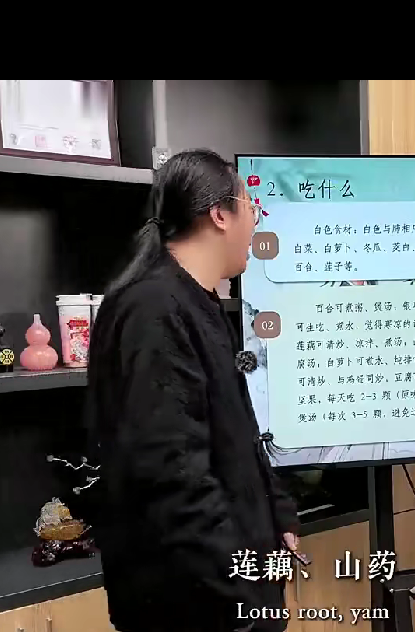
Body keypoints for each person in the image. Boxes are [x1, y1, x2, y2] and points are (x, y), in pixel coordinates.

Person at [85, 149, 299, 632]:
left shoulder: (196, 300)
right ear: (220, 215)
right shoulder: (154, 309)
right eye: (252, 207)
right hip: (197, 604)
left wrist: (277, 514)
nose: (257, 221)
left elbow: (237, 433)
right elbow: (173, 475)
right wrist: (241, 595)